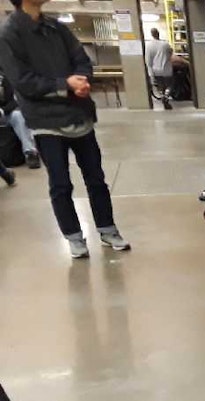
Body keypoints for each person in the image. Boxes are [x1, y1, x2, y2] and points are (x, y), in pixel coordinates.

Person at [0, 0, 130, 259]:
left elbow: (81, 59)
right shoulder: (9, 34)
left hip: (79, 113)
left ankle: (107, 229)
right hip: (45, 121)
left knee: (96, 178)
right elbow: (23, 82)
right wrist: (65, 84)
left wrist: (81, 79)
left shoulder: (56, 26)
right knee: (60, 184)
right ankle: (74, 237)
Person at [0, 65, 40, 168]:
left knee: (18, 116)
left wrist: (2, 110)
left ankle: (30, 152)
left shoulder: (3, 78)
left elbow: (13, 102)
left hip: (4, 114)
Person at [145, 28, 173, 110]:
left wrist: (150, 74)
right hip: (166, 69)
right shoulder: (165, 44)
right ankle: (166, 96)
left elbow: (148, 61)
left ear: (152, 34)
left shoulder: (149, 46)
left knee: (160, 86)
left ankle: (162, 96)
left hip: (155, 70)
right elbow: (170, 53)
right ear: (158, 34)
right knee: (169, 85)